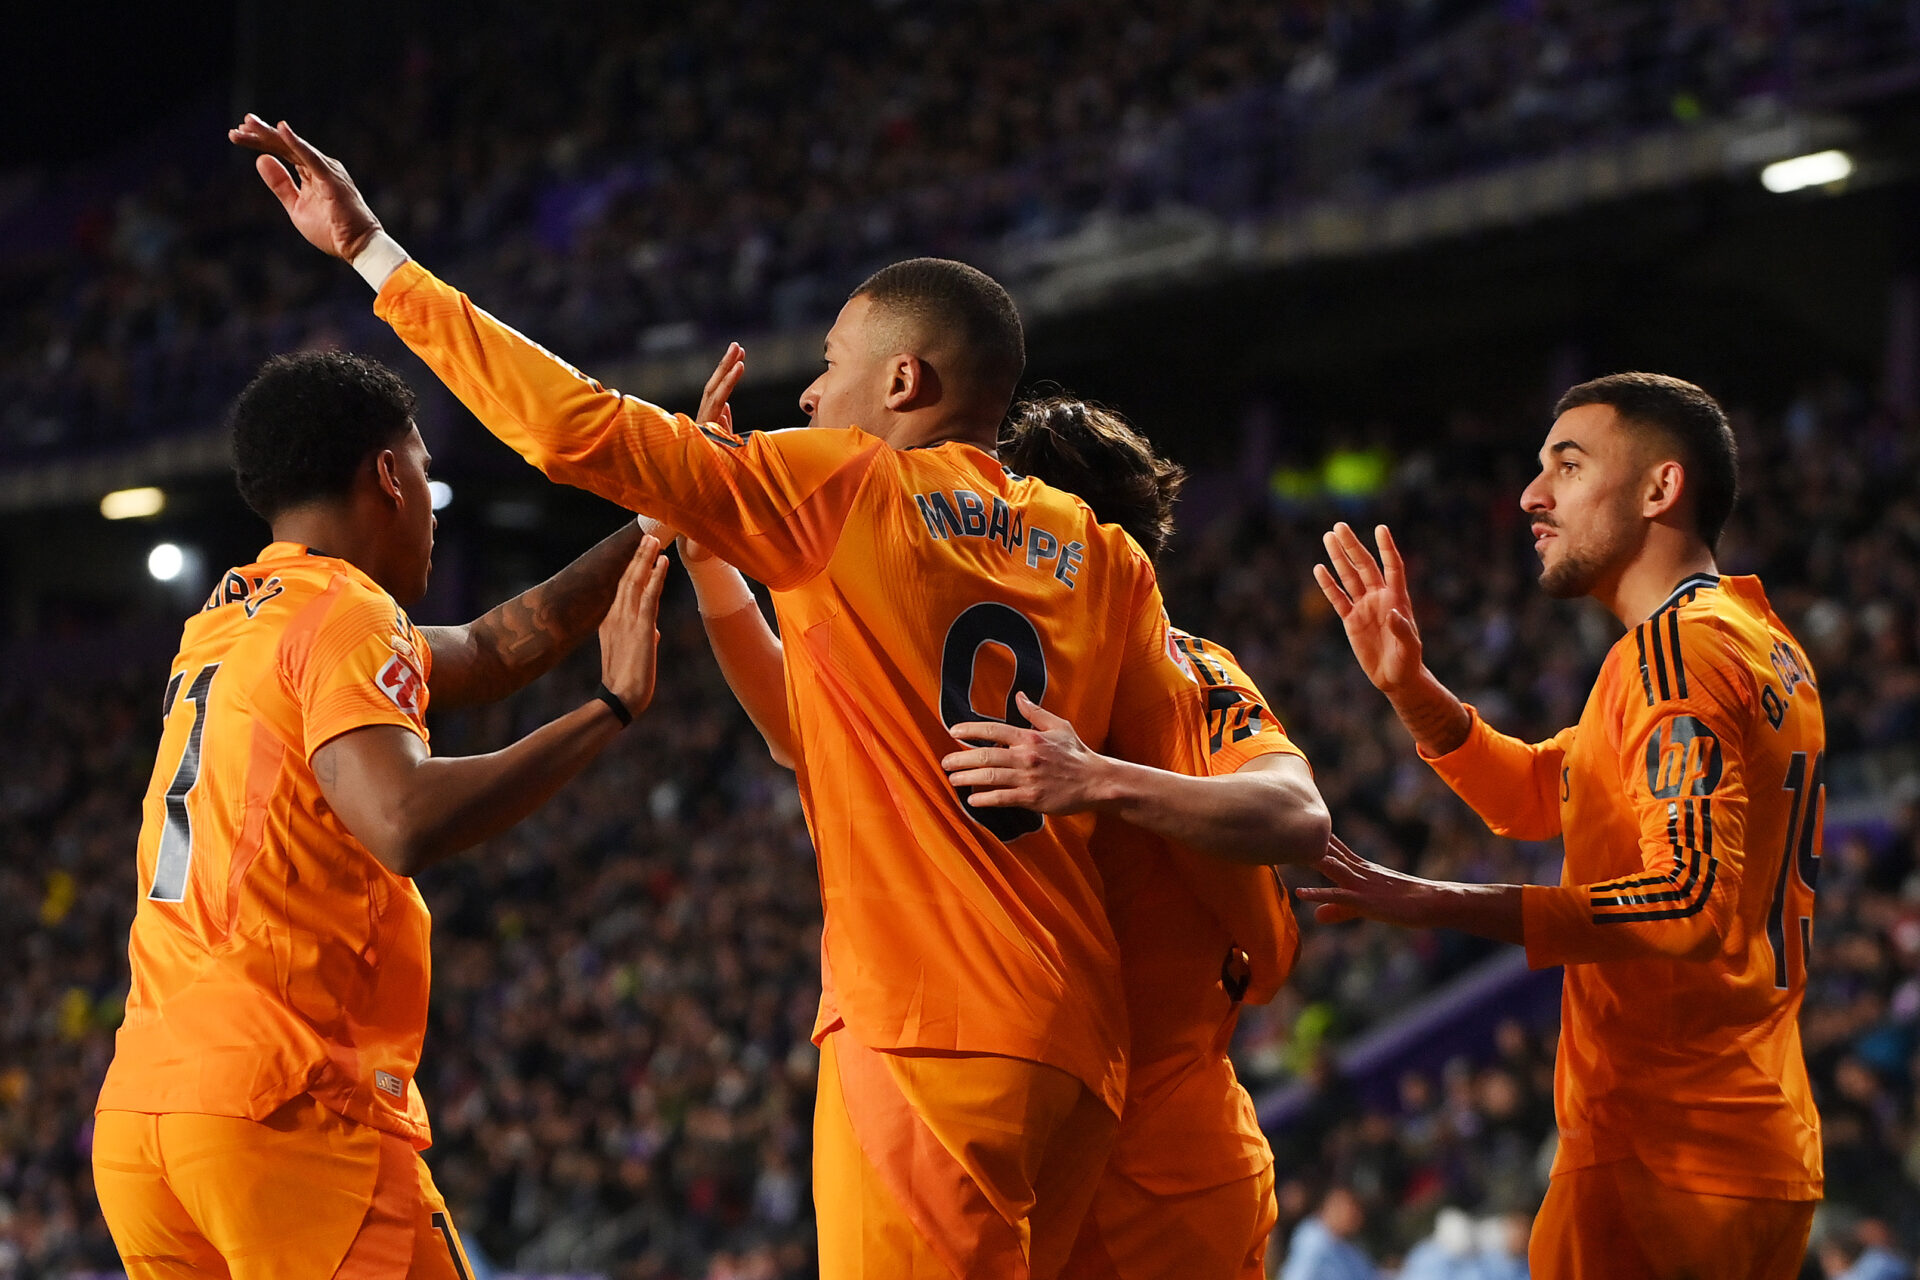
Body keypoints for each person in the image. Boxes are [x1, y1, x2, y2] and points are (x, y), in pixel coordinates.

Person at [232, 116, 1214, 1278]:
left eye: (834, 361)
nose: (807, 391)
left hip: (923, 1031)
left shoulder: (842, 484)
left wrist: (376, 255)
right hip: (1081, 1052)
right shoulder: (1107, 557)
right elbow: (1166, 793)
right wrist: (708, 546)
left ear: (903, 381)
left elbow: (573, 426)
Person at [670, 386, 1330, 1280]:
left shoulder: (1181, 667)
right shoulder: (995, 680)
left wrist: (1099, 777)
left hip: (1158, 1157)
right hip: (1055, 1108)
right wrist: (712, 562)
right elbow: (803, 731)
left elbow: (1293, 819)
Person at [91, 350, 671, 1279]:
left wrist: (658, 526)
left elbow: (484, 650)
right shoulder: (352, 615)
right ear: (389, 476)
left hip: (149, 1123)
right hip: (288, 1108)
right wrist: (608, 712)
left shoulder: (232, 617)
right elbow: (401, 818)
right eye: (425, 469)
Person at [1299, 372, 1824, 1279]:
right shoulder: (1744, 637)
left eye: (1568, 466)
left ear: (1662, 488)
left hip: (1666, 1155)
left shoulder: (1678, 653)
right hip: (1745, 1143)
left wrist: (1437, 902)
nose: (1532, 496)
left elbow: (1688, 902)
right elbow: (1544, 794)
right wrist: (1411, 691)